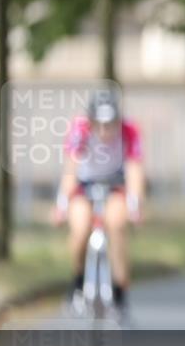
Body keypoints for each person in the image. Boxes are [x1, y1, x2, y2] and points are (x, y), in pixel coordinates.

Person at [53, 89, 145, 316]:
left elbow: (135, 171)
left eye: (110, 124)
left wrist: (135, 205)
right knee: (80, 228)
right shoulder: (80, 129)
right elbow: (71, 169)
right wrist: (62, 204)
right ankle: (77, 281)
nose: (104, 130)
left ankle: (120, 289)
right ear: (91, 120)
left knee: (116, 223)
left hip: (116, 185)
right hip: (84, 185)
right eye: (100, 124)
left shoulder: (129, 131)